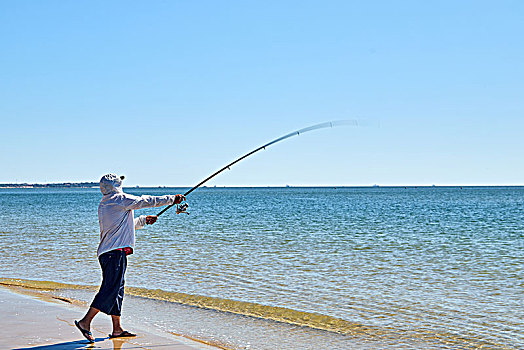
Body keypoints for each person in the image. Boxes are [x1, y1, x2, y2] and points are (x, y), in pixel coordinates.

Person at [75, 174, 184, 343]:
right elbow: (144, 200)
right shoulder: (118, 198)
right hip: (113, 253)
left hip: (112, 253)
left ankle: (117, 329)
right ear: (116, 185)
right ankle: (85, 322)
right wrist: (171, 199)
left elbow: (124, 226)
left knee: (117, 290)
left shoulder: (107, 203)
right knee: (110, 288)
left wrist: (143, 220)